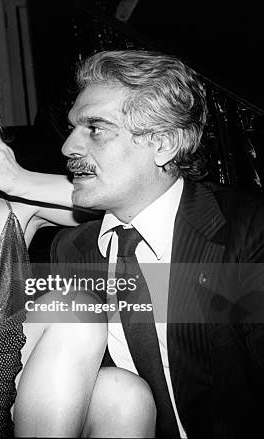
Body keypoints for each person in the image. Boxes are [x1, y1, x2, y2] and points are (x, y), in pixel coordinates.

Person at [0, 56, 156, 437]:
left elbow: (118, 202)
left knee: (125, 395)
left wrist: (17, 179)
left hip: (12, 381)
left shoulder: (22, 204)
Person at [52, 49, 264, 438]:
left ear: (163, 143)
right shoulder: (71, 251)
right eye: (72, 128)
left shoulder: (248, 232)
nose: (68, 147)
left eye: (95, 128)